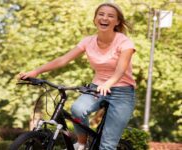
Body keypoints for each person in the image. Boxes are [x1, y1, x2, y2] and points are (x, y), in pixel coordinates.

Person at [18, 2, 136, 150]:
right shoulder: (88, 41)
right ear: (95, 19)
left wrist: (108, 83)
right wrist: (36, 71)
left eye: (110, 16)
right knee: (77, 109)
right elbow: (63, 59)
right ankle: (82, 143)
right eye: (101, 14)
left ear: (117, 22)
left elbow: (121, 69)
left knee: (107, 145)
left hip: (122, 92)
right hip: (96, 88)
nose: (105, 18)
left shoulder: (125, 42)